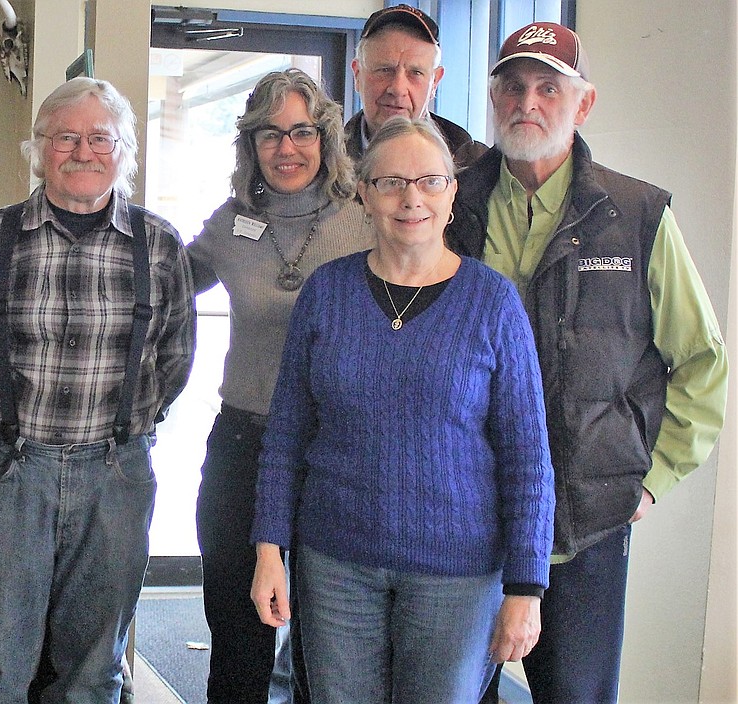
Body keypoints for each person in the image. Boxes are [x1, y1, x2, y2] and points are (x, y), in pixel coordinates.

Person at [446, 23, 728, 703]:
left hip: (584, 522)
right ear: (493, 98)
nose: (528, 102)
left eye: (549, 87)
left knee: (575, 695)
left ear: (585, 103)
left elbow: (702, 362)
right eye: (512, 86)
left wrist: (649, 480)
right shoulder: (450, 203)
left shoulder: (635, 215)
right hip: (461, 512)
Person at [251, 117, 555, 703]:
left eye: (429, 182)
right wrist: (270, 550)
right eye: (390, 182)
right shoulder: (326, 292)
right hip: (336, 564)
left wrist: (526, 587)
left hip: (459, 577)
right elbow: (287, 434)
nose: (411, 198)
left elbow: (528, 458)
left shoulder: (494, 303)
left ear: (452, 192)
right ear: (364, 193)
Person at [0, 77, 196, 703]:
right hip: (11, 473)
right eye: (65, 138)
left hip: (118, 474)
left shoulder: (158, 245)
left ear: (124, 150)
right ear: (40, 148)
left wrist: (129, 422)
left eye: (100, 138)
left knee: (95, 667)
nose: (83, 152)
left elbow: (175, 353)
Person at [187, 67, 371, 704]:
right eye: (270, 134)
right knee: (237, 631)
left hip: (335, 450)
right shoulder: (231, 222)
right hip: (243, 442)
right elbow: (164, 289)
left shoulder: (366, 219)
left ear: (325, 139)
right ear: (250, 144)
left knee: (327, 637)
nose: (286, 149)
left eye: (301, 132)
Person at [345, 4, 485, 167]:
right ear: (357, 75)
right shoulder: (325, 159)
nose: (398, 89)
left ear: (435, 82)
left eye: (415, 73)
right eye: (384, 70)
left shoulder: (474, 165)